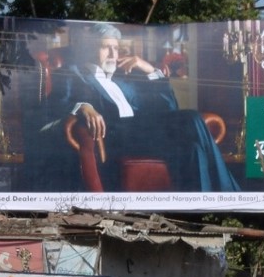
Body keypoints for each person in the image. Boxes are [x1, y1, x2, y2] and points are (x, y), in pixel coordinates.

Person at [25, 22, 240, 193]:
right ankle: (230, 194)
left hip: (144, 132)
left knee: (193, 147)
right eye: (105, 47)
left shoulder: (123, 81)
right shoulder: (75, 73)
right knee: (192, 118)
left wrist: (149, 69)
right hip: (117, 135)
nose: (112, 54)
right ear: (91, 49)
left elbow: (169, 107)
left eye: (116, 48)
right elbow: (54, 106)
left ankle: (205, 209)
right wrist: (82, 106)